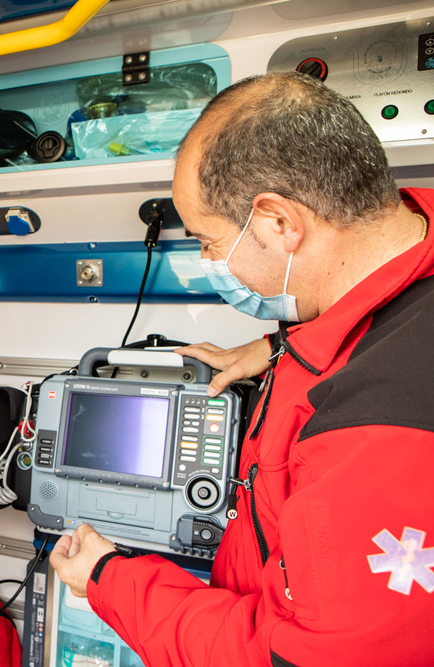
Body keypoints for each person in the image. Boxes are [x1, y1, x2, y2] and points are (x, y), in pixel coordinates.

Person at [50, 71, 434, 666]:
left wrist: (107, 577)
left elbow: (289, 657)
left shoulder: (379, 431)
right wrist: (282, 348)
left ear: (279, 221)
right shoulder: (387, 280)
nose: (207, 260)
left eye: (207, 239)